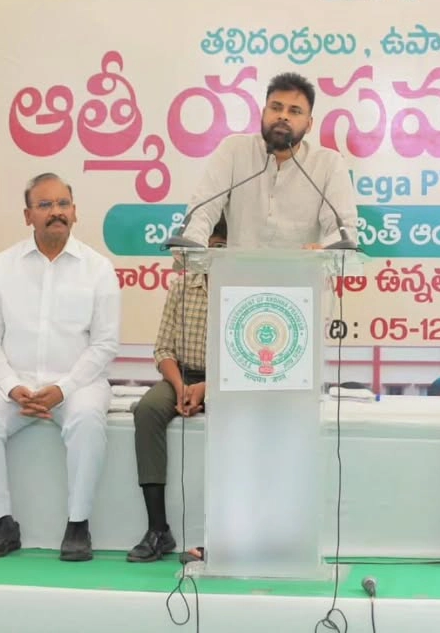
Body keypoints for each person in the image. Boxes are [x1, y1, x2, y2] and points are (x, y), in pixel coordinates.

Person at [0, 173, 120, 562]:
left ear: (75, 212)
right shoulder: (2, 266)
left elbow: (104, 344)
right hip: (14, 384)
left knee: (86, 420)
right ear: (27, 215)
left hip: (78, 385)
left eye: (63, 204)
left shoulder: (99, 269)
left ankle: (78, 524)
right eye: (45, 205)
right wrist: (13, 386)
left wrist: (63, 389)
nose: (56, 213)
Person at [127, 218, 227, 563]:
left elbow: (248, 361)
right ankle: (158, 530)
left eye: (219, 248)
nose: (211, 256)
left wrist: (206, 388)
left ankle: (223, 534)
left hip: (226, 381)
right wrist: (183, 386)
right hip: (180, 377)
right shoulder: (182, 286)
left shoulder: (244, 289)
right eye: (205, 248)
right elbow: (163, 349)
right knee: (147, 410)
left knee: (236, 416)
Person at [180, 72, 358, 250]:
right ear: (264, 113)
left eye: (294, 111)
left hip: (303, 276)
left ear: (309, 124)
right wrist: (192, 245)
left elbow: (344, 231)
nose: (283, 116)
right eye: (276, 108)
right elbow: (202, 209)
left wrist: (323, 250)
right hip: (238, 275)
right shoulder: (234, 150)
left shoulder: (329, 163)